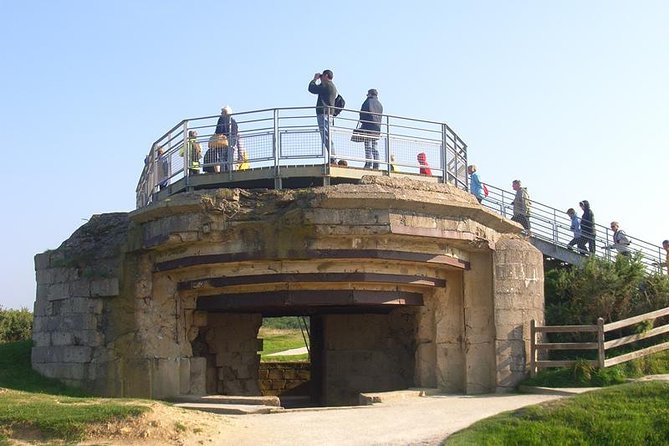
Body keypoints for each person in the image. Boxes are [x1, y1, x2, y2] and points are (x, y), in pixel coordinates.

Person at [308, 69, 338, 164]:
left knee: (326, 136)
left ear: (325, 76)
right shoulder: (331, 86)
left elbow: (312, 89)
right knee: (327, 136)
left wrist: (314, 79)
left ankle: (333, 159)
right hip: (328, 114)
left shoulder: (327, 85)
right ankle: (332, 158)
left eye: (322, 76)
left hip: (324, 114)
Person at [358, 89, 383, 169]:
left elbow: (362, 114)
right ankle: (376, 164)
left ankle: (368, 163)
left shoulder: (367, 102)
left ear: (370, 94)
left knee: (368, 146)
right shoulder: (379, 104)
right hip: (376, 129)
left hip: (368, 127)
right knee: (374, 146)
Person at [215, 106, 239, 172]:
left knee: (222, 158)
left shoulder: (221, 119)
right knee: (231, 158)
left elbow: (219, 130)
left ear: (225, 112)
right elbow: (236, 132)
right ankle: (232, 171)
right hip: (232, 141)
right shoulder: (233, 121)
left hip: (223, 141)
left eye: (222, 112)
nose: (221, 114)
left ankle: (223, 172)